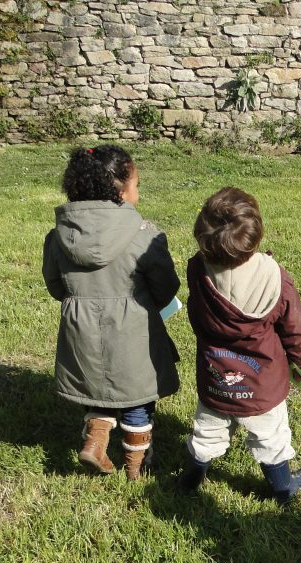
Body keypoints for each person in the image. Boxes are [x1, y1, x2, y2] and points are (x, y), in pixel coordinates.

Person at [42, 145, 181, 480]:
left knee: (97, 389)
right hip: (134, 333)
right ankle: (136, 468)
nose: (138, 192)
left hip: (82, 333)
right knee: (137, 401)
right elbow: (166, 287)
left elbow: (56, 286)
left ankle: (96, 438)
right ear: (120, 190)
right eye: (136, 184)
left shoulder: (57, 238)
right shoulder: (145, 236)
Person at [178, 187, 301, 503]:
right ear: (255, 236)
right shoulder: (274, 277)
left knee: (207, 431)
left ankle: (189, 481)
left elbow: (196, 314)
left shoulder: (197, 270)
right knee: (270, 437)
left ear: (202, 237)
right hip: (262, 385)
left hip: (215, 378)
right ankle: (283, 489)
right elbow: (295, 329)